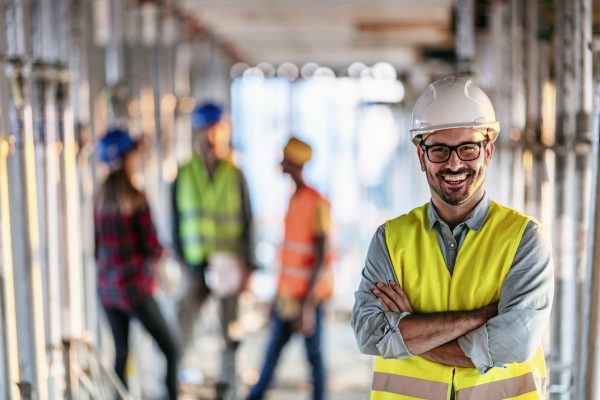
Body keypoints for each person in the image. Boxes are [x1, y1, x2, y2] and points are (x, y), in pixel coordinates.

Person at [351, 76, 554, 399]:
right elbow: (369, 334)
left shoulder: (524, 239)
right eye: (440, 150)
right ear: (421, 157)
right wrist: (478, 319)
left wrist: (408, 332)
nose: (455, 163)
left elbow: (515, 343)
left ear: (488, 151)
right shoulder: (390, 239)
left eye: (468, 148)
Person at [172, 102, 254, 400]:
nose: (211, 137)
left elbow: (247, 222)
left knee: (231, 333)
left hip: (229, 266)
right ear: (197, 132)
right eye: (206, 129)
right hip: (195, 264)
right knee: (180, 327)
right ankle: (171, 385)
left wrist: (249, 267)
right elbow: (175, 219)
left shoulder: (235, 175)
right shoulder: (184, 174)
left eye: (216, 130)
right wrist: (181, 260)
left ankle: (228, 388)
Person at [94, 128, 179, 400]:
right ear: (126, 158)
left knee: (121, 354)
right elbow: (151, 246)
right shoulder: (136, 198)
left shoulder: (100, 199)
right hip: (135, 290)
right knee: (171, 349)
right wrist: (164, 253)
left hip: (108, 291)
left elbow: (96, 250)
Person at [246, 137, 333, 400]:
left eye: (284, 158)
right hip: (289, 296)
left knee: (314, 358)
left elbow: (320, 255)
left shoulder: (316, 201)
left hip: (308, 297)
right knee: (273, 354)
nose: (280, 163)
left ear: (294, 163)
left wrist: (306, 305)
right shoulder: (295, 198)